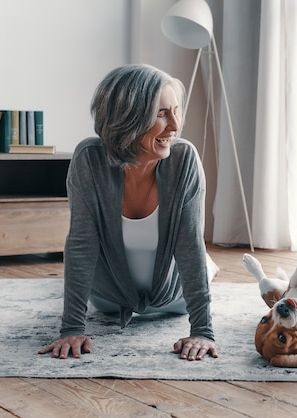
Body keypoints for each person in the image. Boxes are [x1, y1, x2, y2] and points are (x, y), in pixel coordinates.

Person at [39, 64, 218, 361]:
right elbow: (81, 244)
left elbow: (189, 245)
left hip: (174, 298)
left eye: (176, 111)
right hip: (110, 298)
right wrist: (71, 326)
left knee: (198, 257)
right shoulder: (89, 160)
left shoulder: (183, 159)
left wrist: (203, 330)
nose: (175, 126)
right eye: (161, 114)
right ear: (127, 118)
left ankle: (210, 270)